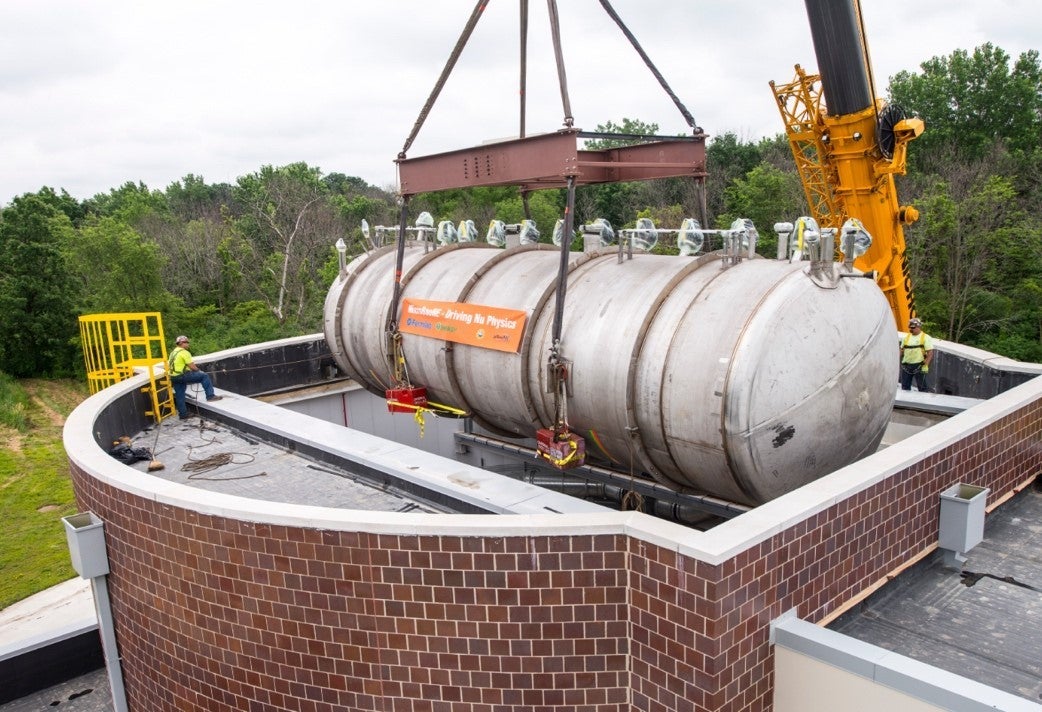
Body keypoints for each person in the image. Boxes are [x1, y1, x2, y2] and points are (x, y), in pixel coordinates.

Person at [168, 335, 222, 419]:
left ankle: (183, 415)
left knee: (179, 395)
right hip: (182, 375)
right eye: (187, 342)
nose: (188, 344)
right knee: (204, 376)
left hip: (173, 377)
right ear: (182, 343)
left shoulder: (173, 352)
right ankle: (210, 396)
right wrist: (199, 371)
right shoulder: (184, 352)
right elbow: (192, 366)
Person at [899, 317, 934, 392]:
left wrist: (926, 365)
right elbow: (901, 350)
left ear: (919, 327)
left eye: (913, 328)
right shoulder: (906, 338)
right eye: (910, 328)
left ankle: (923, 398)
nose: (911, 329)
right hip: (906, 365)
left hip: (919, 366)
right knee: (905, 387)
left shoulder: (925, 337)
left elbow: (930, 353)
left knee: (922, 388)